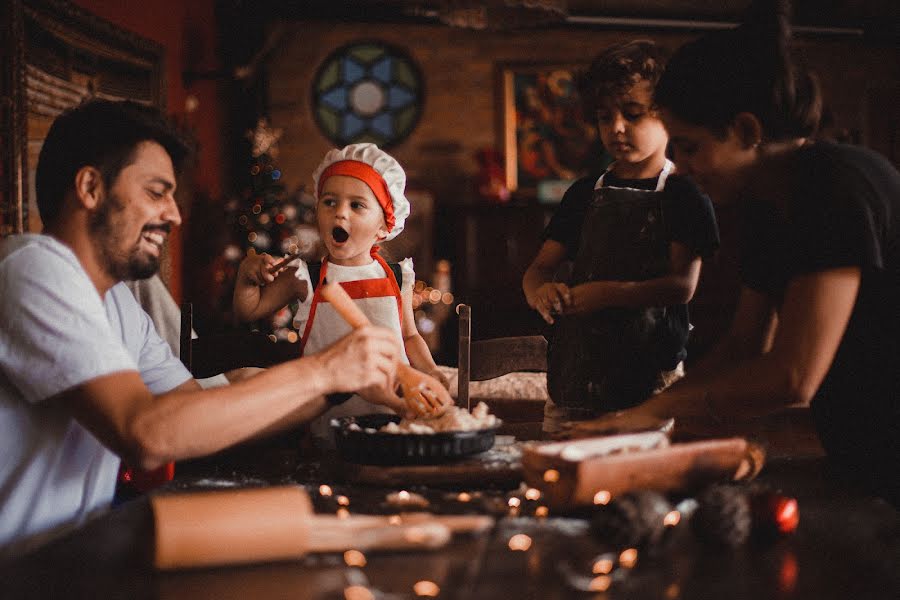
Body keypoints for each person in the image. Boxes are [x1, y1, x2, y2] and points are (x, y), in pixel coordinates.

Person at [0, 100, 402, 556]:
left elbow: (192, 414)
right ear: (91, 187)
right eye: (157, 192)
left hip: (71, 561)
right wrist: (324, 372)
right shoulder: (33, 266)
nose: (174, 215)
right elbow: (148, 435)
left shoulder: (116, 300)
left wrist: (342, 387)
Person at [568, 0, 899, 505]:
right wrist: (643, 419)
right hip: (860, 451)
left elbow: (793, 376)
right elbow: (743, 346)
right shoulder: (768, 203)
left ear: (746, 131)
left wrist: (646, 417)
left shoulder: (836, 184)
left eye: (691, 146)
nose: (680, 164)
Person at [522, 40, 720, 434]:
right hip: (576, 368)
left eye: (632, 114)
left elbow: (682, 287)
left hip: (649, 373)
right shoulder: (583, 192)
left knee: (635, 472)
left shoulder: (683, 193)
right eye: (603, 117)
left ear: (668, 117)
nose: (615, 128)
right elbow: (538, 270)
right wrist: (540, 292)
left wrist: (606, 293)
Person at [232, 143, 447, 442]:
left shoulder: (398, 277)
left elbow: (409, 337)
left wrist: (432, 371)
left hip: (394, 415)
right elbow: (249, 310)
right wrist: (247, 275)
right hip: (325, 419)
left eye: (356, 205)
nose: (340, 214)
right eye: (329, 202)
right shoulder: (303, 276)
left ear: (385, 225)